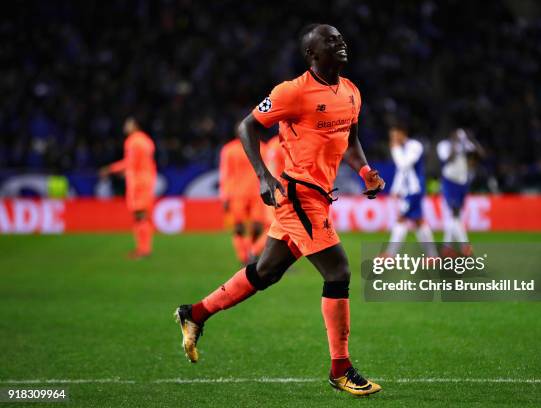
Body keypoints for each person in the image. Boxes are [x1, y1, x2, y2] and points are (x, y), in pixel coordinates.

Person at [174, 24, 385, 396]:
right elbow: (247, 127)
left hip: (319, 195)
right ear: (311, 54)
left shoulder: (351, 91)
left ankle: (195, 313)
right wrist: (263, 176)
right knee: (338, 271)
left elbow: (350, 140)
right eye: (330, 40)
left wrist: (366, 171)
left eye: (340, 38)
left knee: (265, 272)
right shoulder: (293, 92)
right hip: (298, 195)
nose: (340, 43)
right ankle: (341, 368)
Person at [99, 117, 157, 259]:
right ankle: (145, 248)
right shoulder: (147, 140)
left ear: (135, 125)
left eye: (128, 124)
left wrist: (110, 169)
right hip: (147, 179)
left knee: (139, 216)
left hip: (138, 182)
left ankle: (143, 250)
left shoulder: (132, 141)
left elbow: (130, 163)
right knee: (143, 216)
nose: (125, 126)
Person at [382, 125, 437, 257]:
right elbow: (402, 172)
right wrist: (396, 189)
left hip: (415, 190)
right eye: (391, 137)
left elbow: (404, 164)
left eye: (395, 136)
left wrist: (394, 148)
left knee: (401, 218)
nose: (393, 140)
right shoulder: (402, 148)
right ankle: (433, 256)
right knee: (419, 221)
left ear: (403, 133)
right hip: (408, 191)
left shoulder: (415, 146)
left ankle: (390, 255)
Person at [219, 135, 267, 264]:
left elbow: (225, 173)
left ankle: (249, 256)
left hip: (247, 193)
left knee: (249, 228)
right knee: (247, 227)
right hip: (245, 193)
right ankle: (247, 257)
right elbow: (225, 173)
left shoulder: (261, 147)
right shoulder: (230, 149)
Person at [436, 128, 484, 256]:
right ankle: (464, 245)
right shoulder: (444, 145)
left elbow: (480, 154)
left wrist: (471, 140)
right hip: (449, 180)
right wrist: (455, 145)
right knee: (454, 212)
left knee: (454, 216)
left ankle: (447, 247)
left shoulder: (465, 143)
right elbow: (446, 159)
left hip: (462, 181)